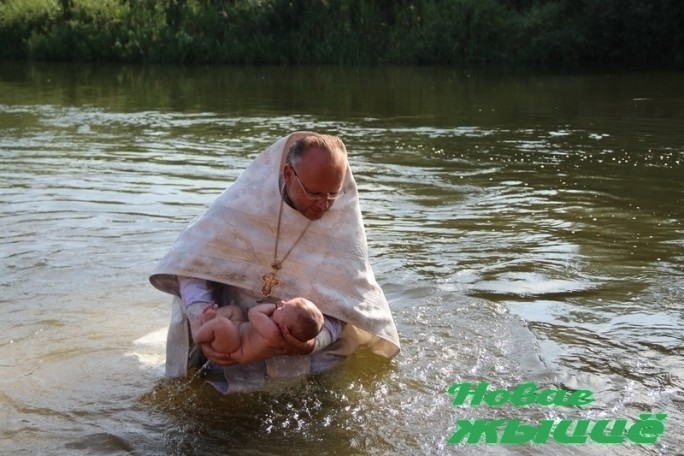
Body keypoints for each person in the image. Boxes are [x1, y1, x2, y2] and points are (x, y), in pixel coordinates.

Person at [150, 131, 400, 392]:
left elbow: (346, 303)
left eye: (332, 194)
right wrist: (201, 316)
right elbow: (192, 265)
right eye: (314, 193)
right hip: (227, 343)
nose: (323, 205)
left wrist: (314, 341)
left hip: (308, 359)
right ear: (289, 174)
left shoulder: (342, 227)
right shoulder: (242, 205)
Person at [192, 298, 324, 365]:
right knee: (235, 311)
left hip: (236, 348)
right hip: (239, 334)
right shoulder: (284, 337)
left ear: (285, 329)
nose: (281, 305)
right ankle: (209, 323)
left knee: (223, 324)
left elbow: (254, 313)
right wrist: (284, 310)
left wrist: (274, 305)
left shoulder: (272, 332)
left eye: (283, 308)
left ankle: (197, 333)